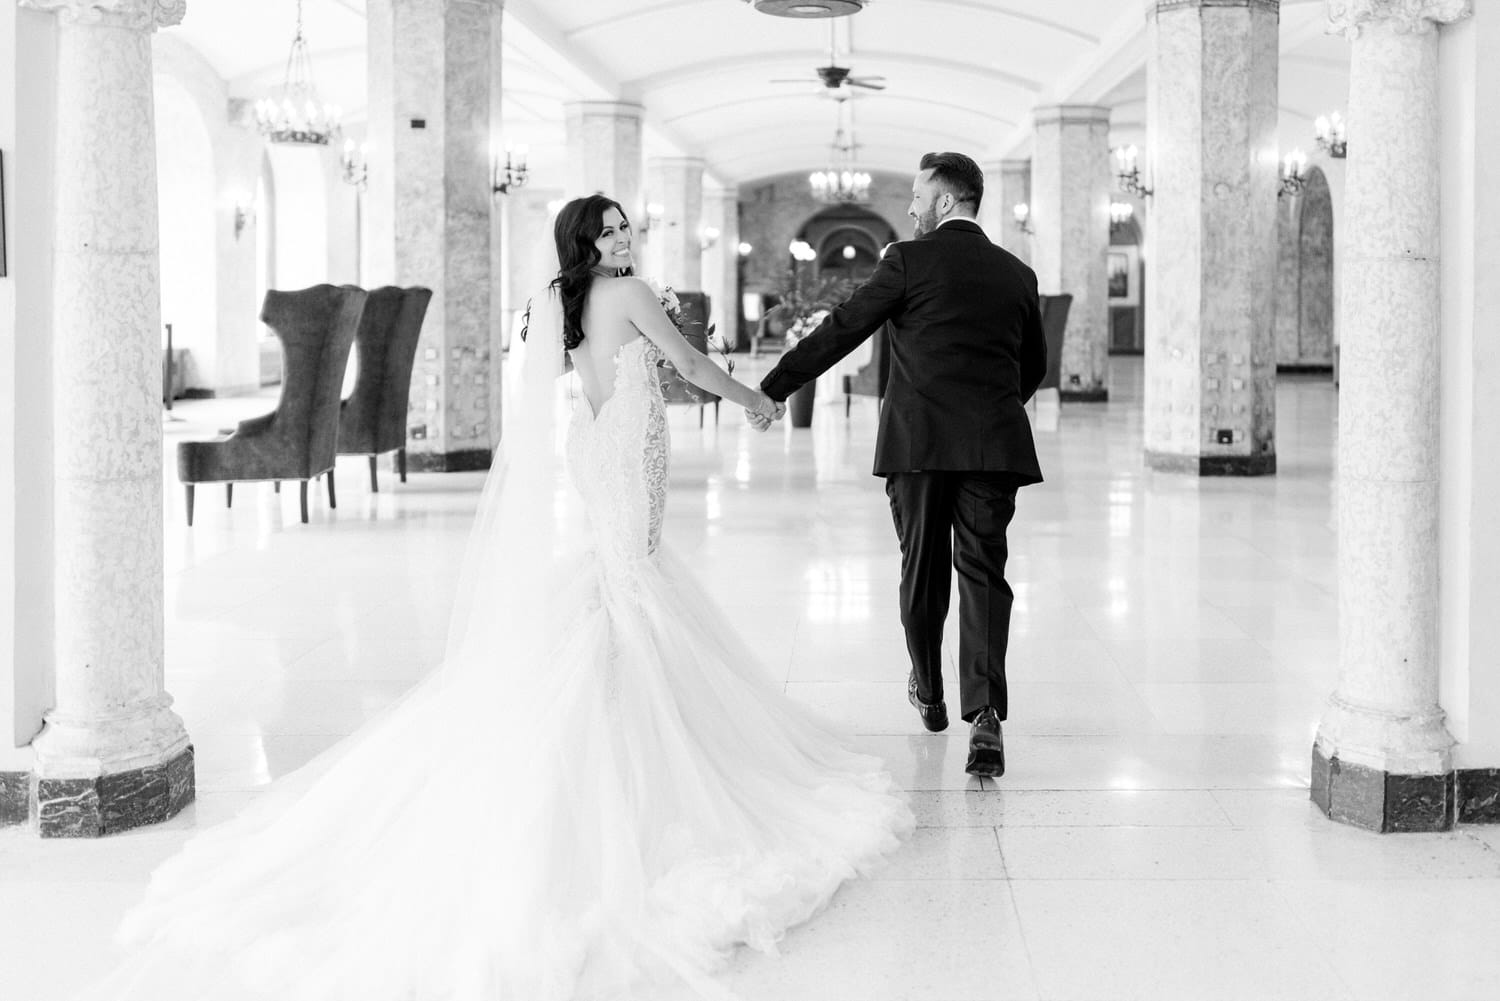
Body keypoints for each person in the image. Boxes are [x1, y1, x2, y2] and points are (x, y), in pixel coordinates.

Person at [80, 194, 911, 1001]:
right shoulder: (630, 292)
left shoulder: (560, 299)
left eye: (627, 227)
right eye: (610, 230)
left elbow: (558, 375)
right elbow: (689, 366)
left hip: (597, 441)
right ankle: (628, 735)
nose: (625, 239)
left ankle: (626, 709)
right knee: (629, 581)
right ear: (585, 240)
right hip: (627, 442)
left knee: (617, 576)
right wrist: (757, 400)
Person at [756, 152, 1047, 778]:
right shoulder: (1018, 273)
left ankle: (930, 689)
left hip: (917, 446)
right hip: (993, 447)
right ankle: (986, 715)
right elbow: (1034, 368)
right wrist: (993, 410)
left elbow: (843, 329)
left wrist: (775, 387)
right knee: (983, 573)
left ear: (945, 201)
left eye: (917, 195)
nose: (911, 206)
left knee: (922, 567)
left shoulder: (908, 261)